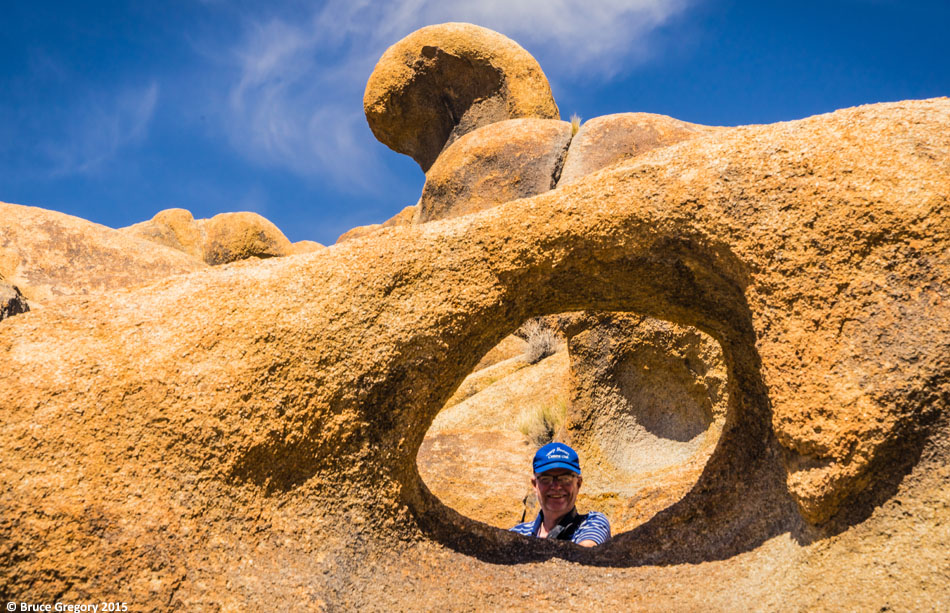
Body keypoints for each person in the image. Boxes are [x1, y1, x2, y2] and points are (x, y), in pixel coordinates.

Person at [510, 441, 611, 547]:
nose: (556, 486)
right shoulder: (518, 533)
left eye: (565, 478)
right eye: (546, 479)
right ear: (535, 484)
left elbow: (585, 552)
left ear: (578, 483)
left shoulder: (592, 523)